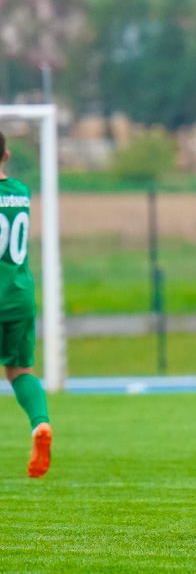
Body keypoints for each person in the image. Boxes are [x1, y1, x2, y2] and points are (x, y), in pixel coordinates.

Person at [0, 130, 52, 478]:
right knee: (20, 372)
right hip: (19, 296)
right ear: (5, 155)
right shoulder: (21, 191)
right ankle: (40, 425)